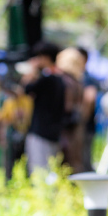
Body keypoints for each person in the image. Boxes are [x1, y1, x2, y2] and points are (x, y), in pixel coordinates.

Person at [22, 40, 65, 173]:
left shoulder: (47, 78)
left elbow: (26, 89)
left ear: (45, 57)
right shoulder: (60, 78)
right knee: (50, 170)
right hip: (54, 132)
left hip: (40, 132)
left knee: (39, 170)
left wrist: (31, 71)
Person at [56, 47, 86, 173]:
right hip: (76, 126)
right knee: (74, 161)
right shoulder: (77, 81)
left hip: (66, 128)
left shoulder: (64, 81)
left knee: (65, 162)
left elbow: (67, 107)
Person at [76, 46, 99, 171]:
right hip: (84, 125)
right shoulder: (83, 77)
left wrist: (81, 120)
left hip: (85, 126)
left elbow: (90, 98)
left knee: (83, 159)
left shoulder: (86, 78)